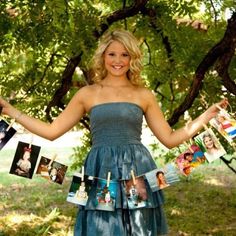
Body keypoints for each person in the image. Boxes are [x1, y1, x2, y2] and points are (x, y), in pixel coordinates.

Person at [0, 29, 228, 235]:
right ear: (103, 56)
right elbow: (52, 131)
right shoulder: (87, 94)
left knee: (140, 227)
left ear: (132, 58)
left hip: (137, 170)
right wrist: (11, 111)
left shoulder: (143, 94)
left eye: (125, 55)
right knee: (103, 228)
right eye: (112, 54)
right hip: (100, 169)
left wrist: (204, 117)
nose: (118, 60)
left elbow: (170, 139)